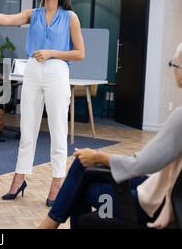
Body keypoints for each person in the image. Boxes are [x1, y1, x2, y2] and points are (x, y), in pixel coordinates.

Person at [0, 0, 84, 205]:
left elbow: (80, 53)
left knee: (58, 129)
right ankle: (19, 178)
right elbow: (9, 19)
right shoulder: (34, 14)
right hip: (32, 70)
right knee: (27, 127)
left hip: (57, 71)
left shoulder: (70, 17)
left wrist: (52, 52)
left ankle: (57, 181)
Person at [39, 43, 182, 229]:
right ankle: (48, 225)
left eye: (175, 65)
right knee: (83, 165)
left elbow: (141, 163)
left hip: (152, 205)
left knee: (79, 188)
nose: (173, 69)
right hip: (163, 192)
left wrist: (99, 156)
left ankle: (47, 225)